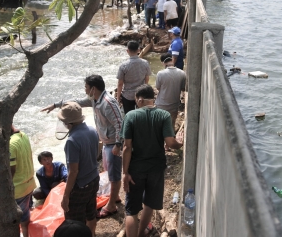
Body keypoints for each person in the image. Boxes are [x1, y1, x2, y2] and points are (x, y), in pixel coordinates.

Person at [42, 75, 124, 219]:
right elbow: (76, 102)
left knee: (115, 175)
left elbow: (120, 124)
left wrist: (118, 145)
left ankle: (111, 205)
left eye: (86, 87)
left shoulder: (107, 102)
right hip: (106, 142)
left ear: (93, 89)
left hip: (112, 144)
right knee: (109, 172)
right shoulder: (94, 99)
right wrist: (56, 105)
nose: (85, 90)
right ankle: (114, 196)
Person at [121, 85, 183, 237]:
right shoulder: (164, 115)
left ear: (140, 99)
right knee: (149, 204)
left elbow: (127, 147)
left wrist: (125, 173)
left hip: (135, 169)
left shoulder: (130, 116)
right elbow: (170, 143)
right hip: (156, 168)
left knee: (131, 210)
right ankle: (142, 233)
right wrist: (180, 142)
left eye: (136, 100)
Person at [0, 124, 36, 237]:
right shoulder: (23, 135)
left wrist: (0, 192)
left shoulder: (10, 144)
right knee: (24, 214)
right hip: (29, 184)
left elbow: (10, 172)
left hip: (17, 190)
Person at [58, 102, 99, 234]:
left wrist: (66, 195)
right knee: (91, 213)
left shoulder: (72, 141)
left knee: (74, 222)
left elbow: (73, 171)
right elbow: (97, 151)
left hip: (80, 185)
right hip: (94, 179)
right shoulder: (92, 130)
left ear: (68, 123)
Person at [116, 41, 151, 114]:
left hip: (127, 96)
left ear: (127, 51)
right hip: (141, 95)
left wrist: (118, 97)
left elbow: (120, 83)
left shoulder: (123, 65)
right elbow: (147, 78)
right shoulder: (145, 63)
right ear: (138, 50)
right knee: (141, 114)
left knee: (129, 115)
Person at [155, 53, 186, 129]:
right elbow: (183, 89)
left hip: (161, 105)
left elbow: (158, 88)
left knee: (159, 126)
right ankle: (170, 139)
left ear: (163, 63)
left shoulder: (160, 74)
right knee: (171, 125)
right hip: (174, 105)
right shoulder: (182, 73)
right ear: (172, 60)